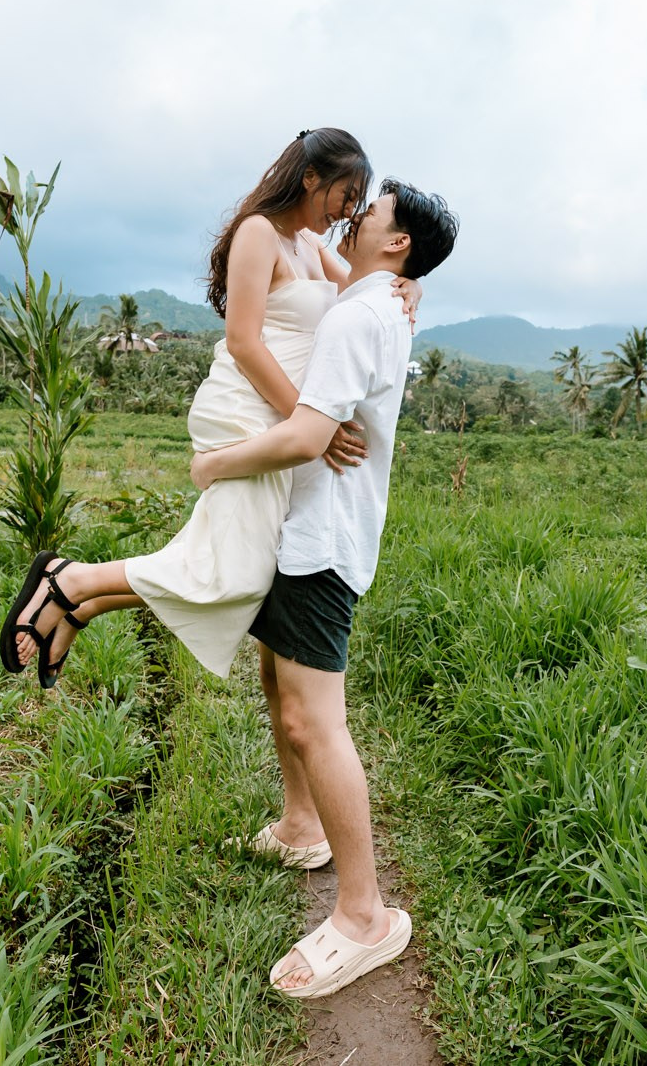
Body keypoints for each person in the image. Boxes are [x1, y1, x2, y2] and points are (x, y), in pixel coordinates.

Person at [0, 128, 417, 687]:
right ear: (311, 177)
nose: (349, 210)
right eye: (346, 192)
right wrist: (309, 422)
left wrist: (412, 286)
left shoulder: (314, 248)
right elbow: (243, 342)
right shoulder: (258, 234)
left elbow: (371, 287)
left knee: (237, 570)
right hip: (247, 408)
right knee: (234, 574)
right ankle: (69, 584)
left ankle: (76, 598)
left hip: (280, 418)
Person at [187, 179, 458, 999]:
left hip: (321, 543)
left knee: (313, 718)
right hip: (308, 530)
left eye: (370, 212)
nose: (355, 216)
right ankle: (302, 828)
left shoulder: (359, 315)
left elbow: (309, 433)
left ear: (397, 240)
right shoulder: (376, 301)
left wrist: (214, 463)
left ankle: (365, 915)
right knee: (279, 682)